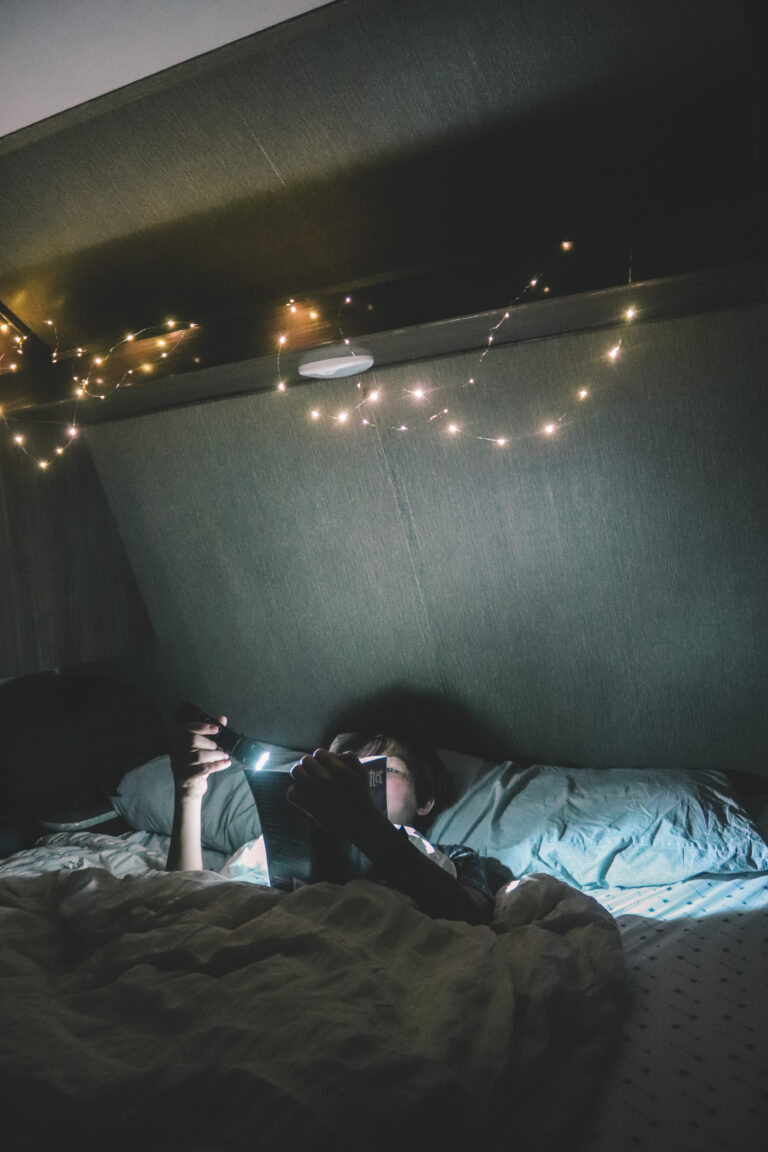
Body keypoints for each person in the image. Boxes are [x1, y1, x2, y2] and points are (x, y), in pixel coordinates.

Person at [167, 716, 495, 925]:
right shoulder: (271, 848)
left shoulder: (453, 857)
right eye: (344, 768)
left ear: (424, 801)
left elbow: (473, 921)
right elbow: (189, 908)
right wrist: (188, 794)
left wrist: (364, 825)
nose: (358, 779)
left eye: (385, 769)